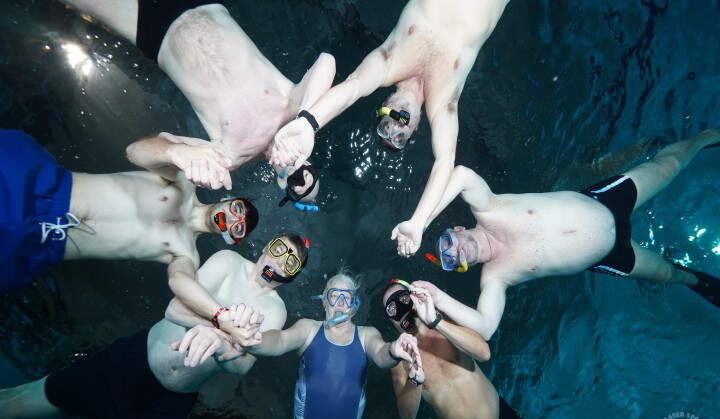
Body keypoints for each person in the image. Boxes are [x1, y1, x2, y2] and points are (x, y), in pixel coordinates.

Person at [0, 232, 309, 419]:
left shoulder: (274, 311)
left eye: (291, 262)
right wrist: (222, 327)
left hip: (167, 405)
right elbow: (174, 310)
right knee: (21, 404)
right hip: (129, 364)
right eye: (279, 250)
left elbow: (241, 366)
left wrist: (219, 345)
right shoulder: (229, 263)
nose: (279, 261)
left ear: (292, 275)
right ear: (267, 247)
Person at [396, 129, 720, 339]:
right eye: (450, 261)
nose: (454, 253)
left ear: (458, 229)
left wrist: (420, 223)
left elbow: (462, 175)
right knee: (669, 274)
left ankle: (707, 137)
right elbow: (486, 327)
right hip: (612, 255)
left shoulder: (489, 209)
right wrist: (439, 300)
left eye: (448, 244)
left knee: (668, 166)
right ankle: (702, 283)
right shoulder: (496, 277)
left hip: (606, 201)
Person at [59, 0, 336, 207]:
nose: (296, 171)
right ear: (308, 156)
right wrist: (306, 120)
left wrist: (176, 153)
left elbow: (135, 152)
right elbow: (326, 62)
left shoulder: (230, 156)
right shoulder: (294, 105)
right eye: (305, 172)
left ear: (280, 181)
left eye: (295, 183)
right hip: (206, 5)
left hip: (155, 33)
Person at [270, 0, 509, 226]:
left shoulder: (389, 61)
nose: (396, 127)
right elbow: (445, 161)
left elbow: (353, 88)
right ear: (415, 127)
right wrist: (418, 223)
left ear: (385, 104)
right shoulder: (444, 101)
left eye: (385, 127)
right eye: (400, 137)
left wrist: (308, 123)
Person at [0, 130, 260, 295]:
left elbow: (179, 282)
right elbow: (134, 152)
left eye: (238, 226)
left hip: (37, 247)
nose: (233, 217)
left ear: (231, 238)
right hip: (40, 187)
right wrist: (175, 151)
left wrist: (218, 315)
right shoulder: (182, 182)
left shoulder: (186, 253)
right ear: (228, 199)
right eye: (237, 209)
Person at [228, 270, 424, 419]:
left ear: (354, 305)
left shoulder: (366, 335)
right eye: (333, 296)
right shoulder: (308, 329)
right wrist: (254, 338)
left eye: (346, 298)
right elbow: (280, 341)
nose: (339, 304)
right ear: (324, 301)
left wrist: (394, 349)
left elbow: (380, 353)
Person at [384, 279, 575, 419]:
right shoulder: (400, 361)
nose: (400, 309)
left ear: (414, 297)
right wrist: (414, 380)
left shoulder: (447, 320)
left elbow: (484, 353)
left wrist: (436, 322)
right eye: (392, 309)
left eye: (402, 299)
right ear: (391, 322)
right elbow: (407, 417)